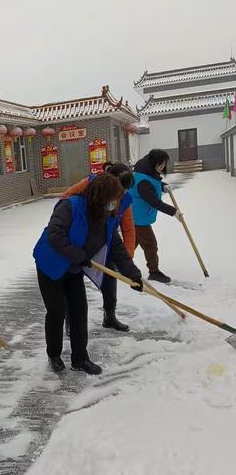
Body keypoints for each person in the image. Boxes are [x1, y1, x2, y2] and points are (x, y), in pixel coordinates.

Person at [33, 174, 142, 375]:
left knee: (79, 311)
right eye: (111, 199)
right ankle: (54, 354)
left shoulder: (107, 216)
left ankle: (80, 358)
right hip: (51, 265)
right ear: (99, 197)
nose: (114, 204)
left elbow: (116, 247)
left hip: (74, 268)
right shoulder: (71, 206)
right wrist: (78, 255)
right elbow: (55, 235)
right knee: (57, 310)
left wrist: (133, 274)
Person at [61, 163, 135, 332]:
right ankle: (70, 322)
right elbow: (65, 198)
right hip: (80, 243)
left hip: (105, 243)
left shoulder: (125, 200)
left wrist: (128, 260)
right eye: (120, 187)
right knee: (73, 283)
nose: (122, 193)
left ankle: (110, 316)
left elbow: (128, 229)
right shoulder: (90, 184)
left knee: (110, 278)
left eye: (125, 189)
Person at [130, 149, 183, 283]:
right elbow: (154, 201)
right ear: (153, 163)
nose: (163, 167)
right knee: (151, 245)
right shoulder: (143, 181)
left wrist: (163, 186)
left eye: (164, 164)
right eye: (160, 164)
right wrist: (174, 212)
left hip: (136, 216)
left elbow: (153, 181)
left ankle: (118, 263)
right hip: (138, 218)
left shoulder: (146, 172)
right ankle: (154, 272)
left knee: (132, 243)